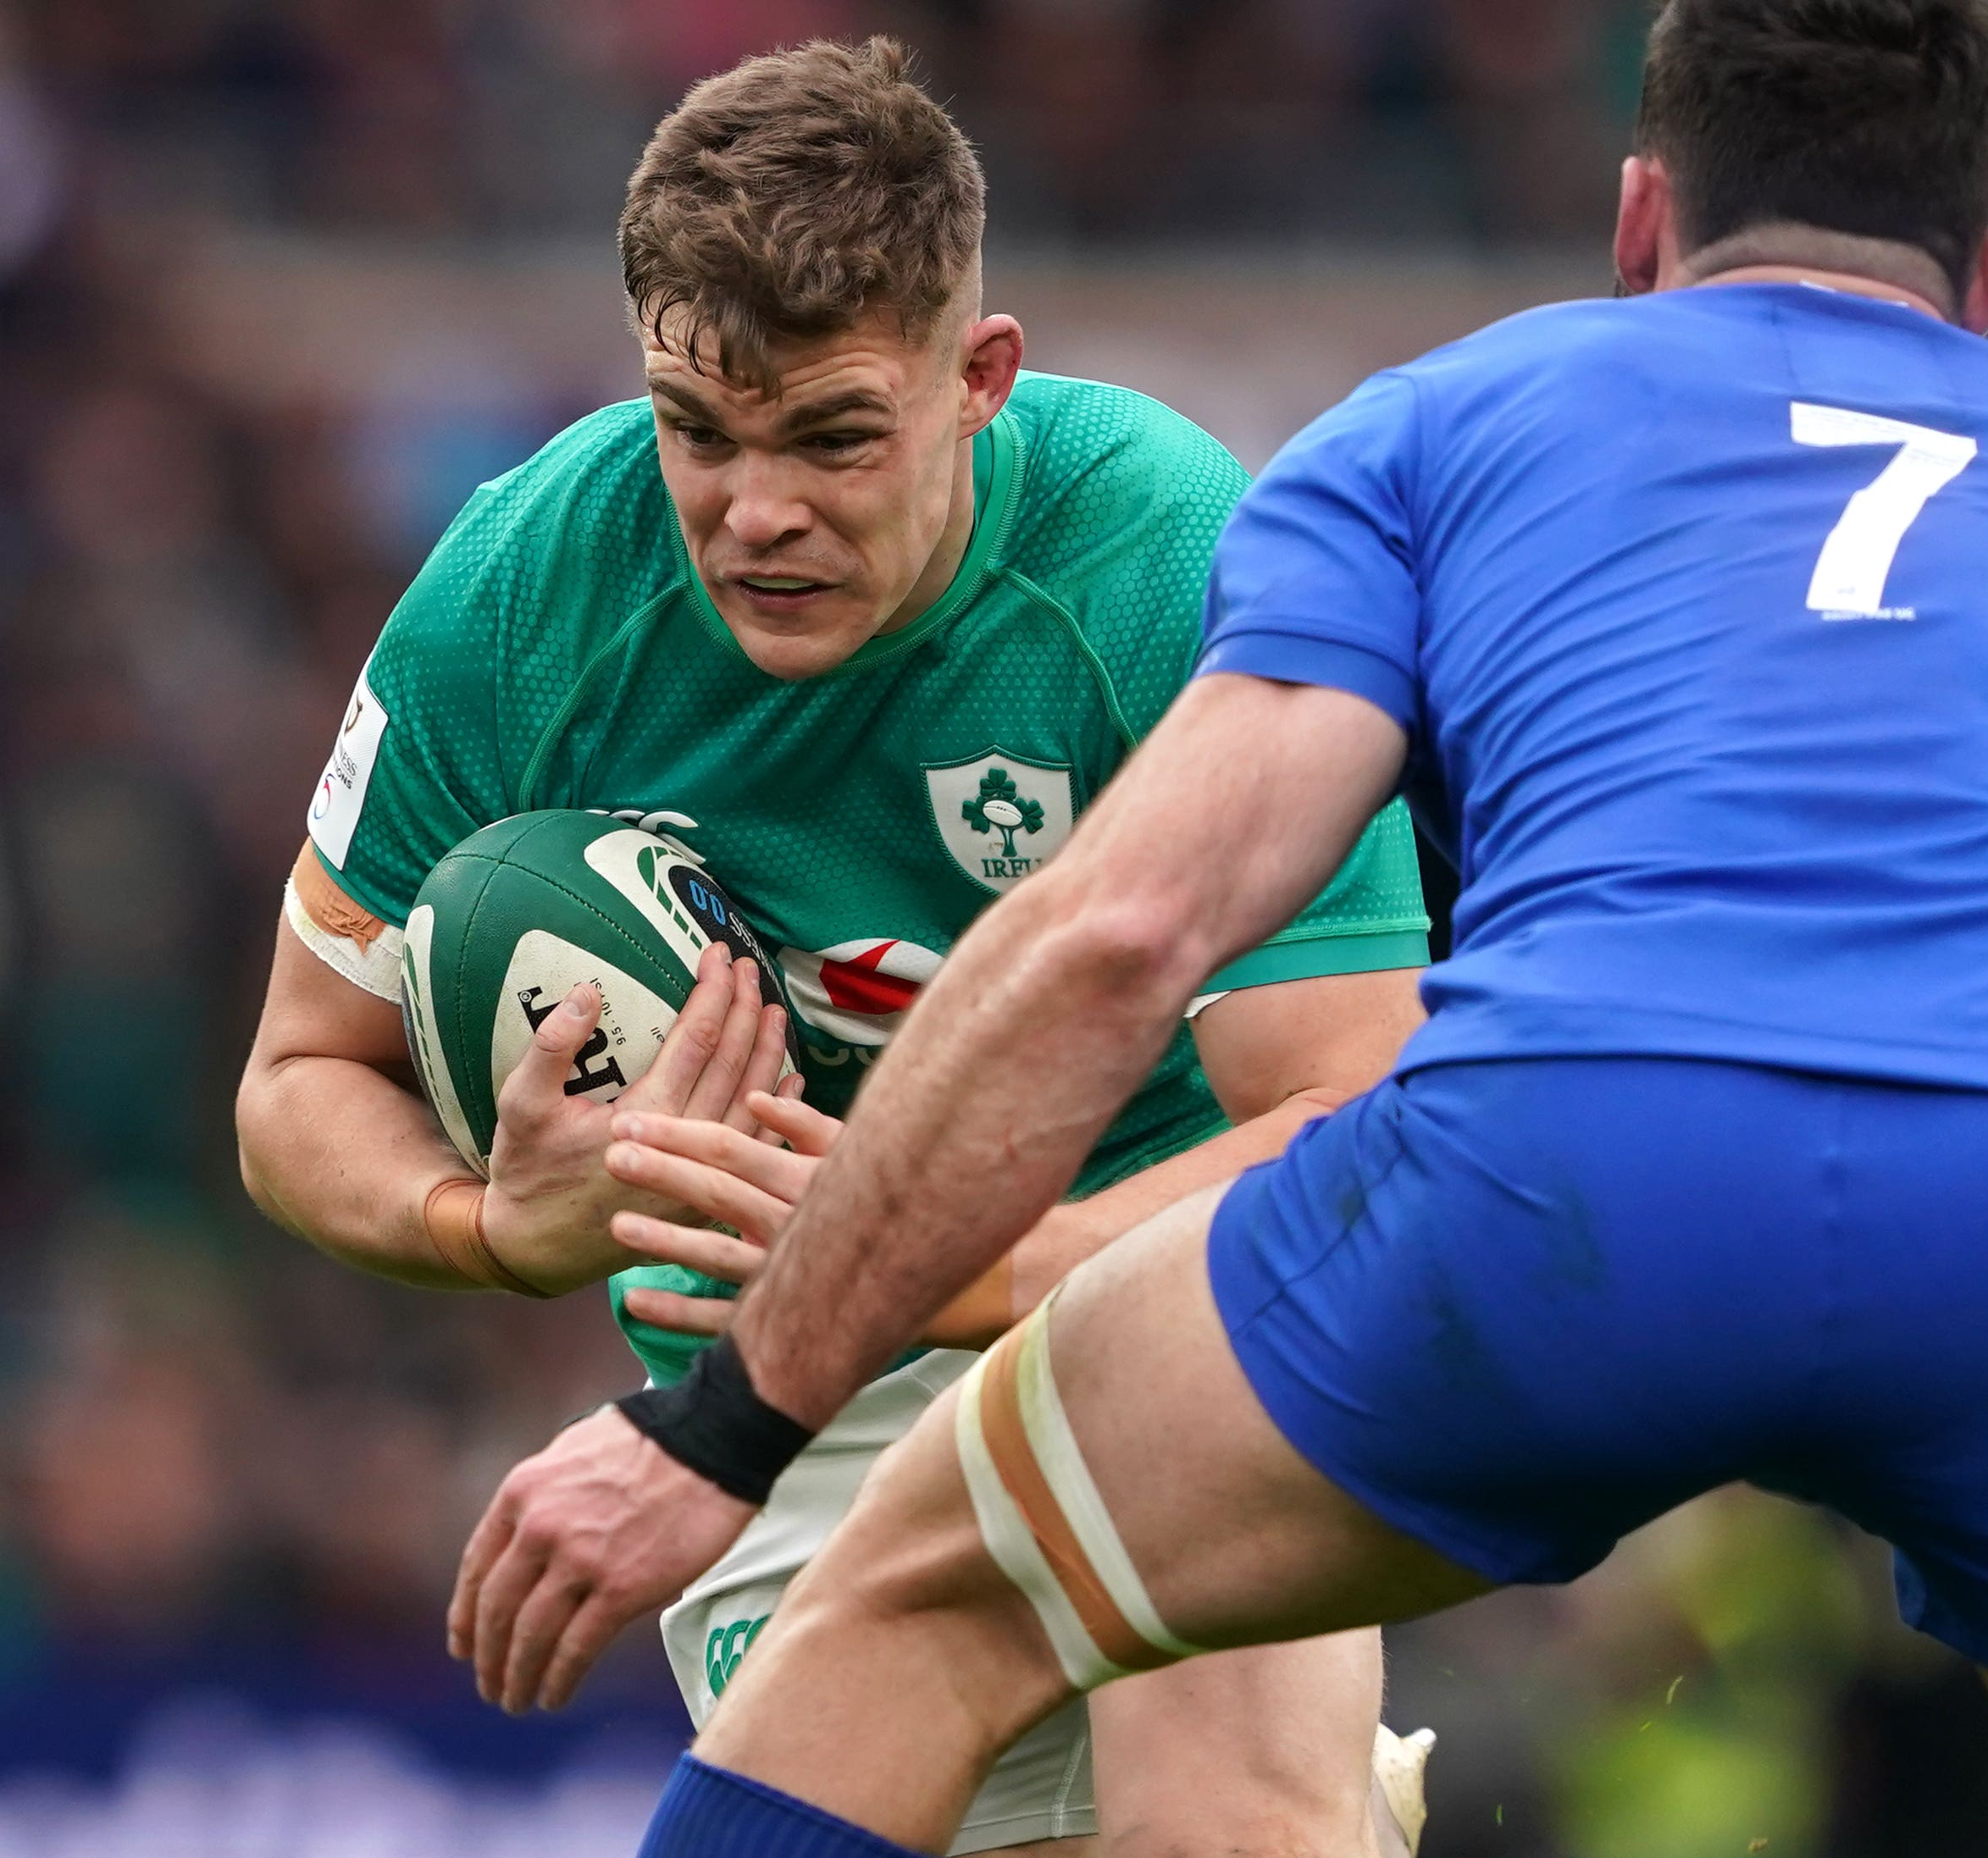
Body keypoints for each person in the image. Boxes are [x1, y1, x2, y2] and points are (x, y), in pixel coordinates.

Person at [451, 4, 1988, 1856]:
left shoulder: (1446, 424)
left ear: (1640, 221)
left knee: (909, 1605)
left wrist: (717, 1423)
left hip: (1574, 1159)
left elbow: (1117, 933)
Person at [233, 38, 1439, 1858]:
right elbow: (296, 1078)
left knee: (1232, 1834)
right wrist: (486, 1224)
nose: (753, 510)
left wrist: (926, 1259)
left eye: (831, 434)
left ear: (980, 379)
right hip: (775, 1390)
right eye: (695, 431)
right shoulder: (520, 587)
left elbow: (1353, 1119)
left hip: (1151, 1275)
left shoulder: (1163, 551)